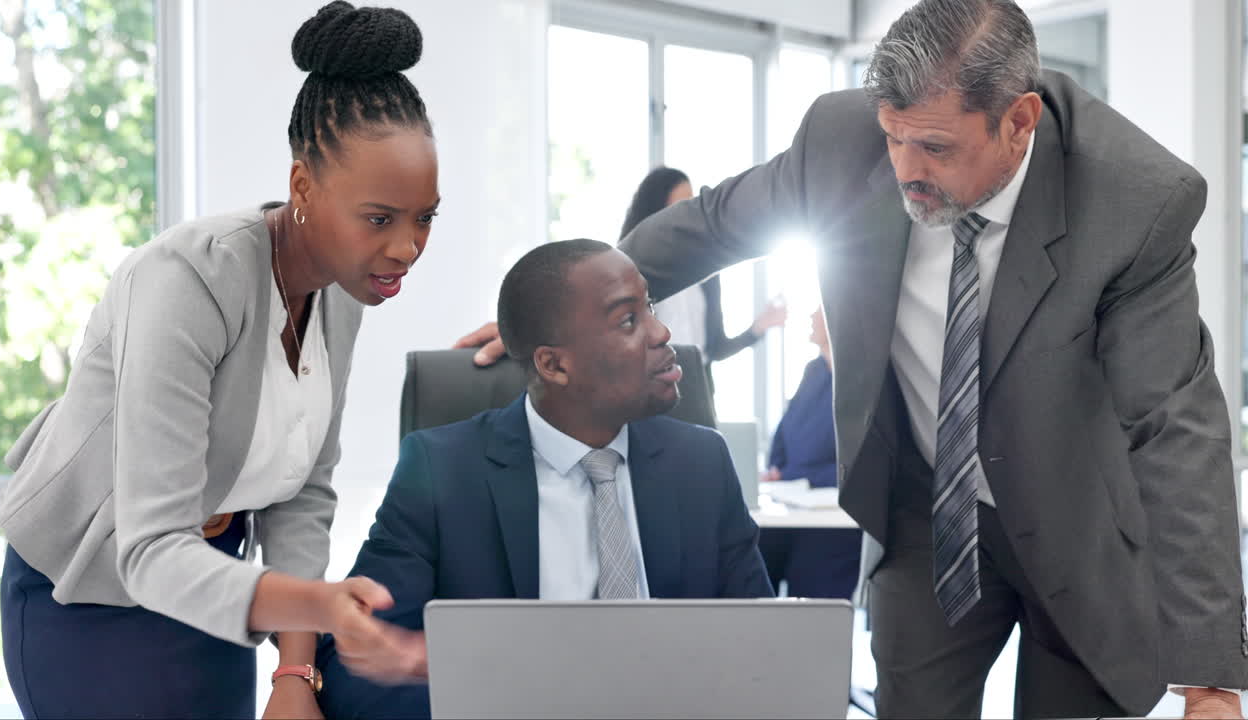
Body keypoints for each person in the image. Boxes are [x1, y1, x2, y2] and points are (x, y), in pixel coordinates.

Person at [454, 0, 1248, 717]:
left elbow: (1175, 425)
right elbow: (714, 225)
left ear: (1019, 121)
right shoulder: (841, 141)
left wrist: (1212, 683)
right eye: (894, 137)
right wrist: (564, 313)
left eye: (933, 146)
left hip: (1079, 529)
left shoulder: (1133, 200)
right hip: (926, 509)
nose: (905, 170)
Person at [0, 3, 438, 717]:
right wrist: (320, 607)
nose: (407, 248)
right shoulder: (187, 281)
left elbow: (303, 493)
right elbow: (149, 547)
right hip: (87, 590)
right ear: (303, 187)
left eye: (425, 218)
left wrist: (295, 671)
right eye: (380, 218)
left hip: (213, 588)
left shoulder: (343, 292)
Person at [319, 239, 773, 719]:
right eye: (627, 320)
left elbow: (767, 647)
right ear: (554, 365)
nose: (661, 333)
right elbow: (353, 664)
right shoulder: (443, 471)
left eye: (651, 307)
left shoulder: (701, 463)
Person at [620, 167, 786, 388]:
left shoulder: (706, 273)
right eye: (680, 206)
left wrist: (758, 327)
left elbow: (716, 349)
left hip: (698, 387)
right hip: (650, 388)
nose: (690, 214)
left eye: (692, 204)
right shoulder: (631, 269)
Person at [758, 305, 861, 600]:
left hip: (831, 516)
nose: (812, 317)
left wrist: (792, 474)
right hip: (792, 501)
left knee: (812, 581)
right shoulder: (814, 370)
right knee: (755, 551)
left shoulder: (857, 378)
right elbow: (785, 432)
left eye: (820, 310)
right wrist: (778, 470)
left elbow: (854, 462)